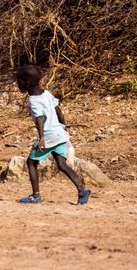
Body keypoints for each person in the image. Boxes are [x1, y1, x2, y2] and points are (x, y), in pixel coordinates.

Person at [15, 63, 91, 205]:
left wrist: (42, 138)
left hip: (48, 136)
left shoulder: (33, 100)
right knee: (62, 164)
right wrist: (64, 129)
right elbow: (59, 112)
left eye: (18, 81)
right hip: (59, 133)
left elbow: (39, 119)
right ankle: (82, 189)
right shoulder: (47, 94)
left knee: (31, 162)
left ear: (27, 83)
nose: (17, 84)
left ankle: (35, 196)